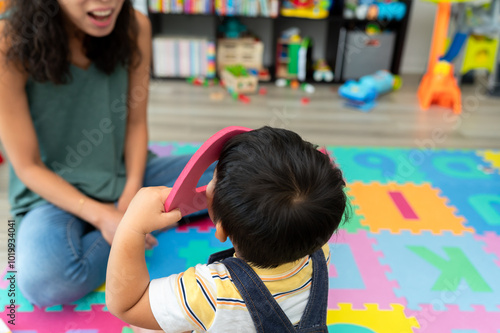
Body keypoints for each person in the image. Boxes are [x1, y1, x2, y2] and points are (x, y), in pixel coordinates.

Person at [0, 0, 213, 307]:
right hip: (51, 195)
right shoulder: (9, 38)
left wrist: (129, 196)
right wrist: (115, 220)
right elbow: (28, 166)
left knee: (239, 163)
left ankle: (150, 217)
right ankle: (158, 219)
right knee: (45, 281)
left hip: (123, 174)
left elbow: (136, 124)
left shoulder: (135, 25)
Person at [106, 126, 349, 332]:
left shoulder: (209, 291)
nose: (209, 185)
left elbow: (128, 305)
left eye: (213, 179)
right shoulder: (319, 251)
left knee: (148, 326)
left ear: (221, 228)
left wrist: (131, 227)